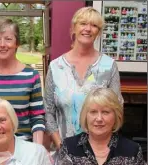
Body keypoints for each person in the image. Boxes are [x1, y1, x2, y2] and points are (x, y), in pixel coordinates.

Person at [44, 7, 123, 149]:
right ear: (73, 28)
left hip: (99, 151)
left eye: (94, 25)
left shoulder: (109, 66)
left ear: (98, 32)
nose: (88, 29)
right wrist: (60, 145)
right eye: (83, 23)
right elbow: (48, 111)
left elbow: (116, 109)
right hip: (63, 149)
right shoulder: (56, 67)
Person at [56, 88, 144, 165]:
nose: (99, 119)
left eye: (105, 112)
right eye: (93, 112)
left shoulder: (132, 150)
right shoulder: (69, 147)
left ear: (116, 115)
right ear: (85, 116)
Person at [0, 18, 45, 149]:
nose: (2, 44)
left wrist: (37, 151)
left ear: (17, 43)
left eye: (8, 39)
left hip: (24, 149)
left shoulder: (31, 75)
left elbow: (37, 117)